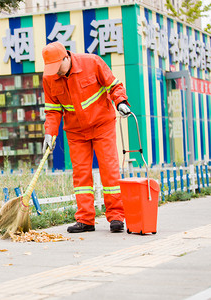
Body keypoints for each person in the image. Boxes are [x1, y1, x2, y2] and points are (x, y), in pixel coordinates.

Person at [41, 41, 131, 233]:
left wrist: (121, 102)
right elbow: (53, 110)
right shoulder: (49, 78)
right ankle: (85, 219)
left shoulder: (92, 62)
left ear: (66, 57)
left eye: (58, 67)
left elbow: (113, 85)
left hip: (102, 125)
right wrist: (50, 133)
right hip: (75, 131)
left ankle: (116, 216)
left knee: (109, 170)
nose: (56, 72)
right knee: (81, 176)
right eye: (52, 69)